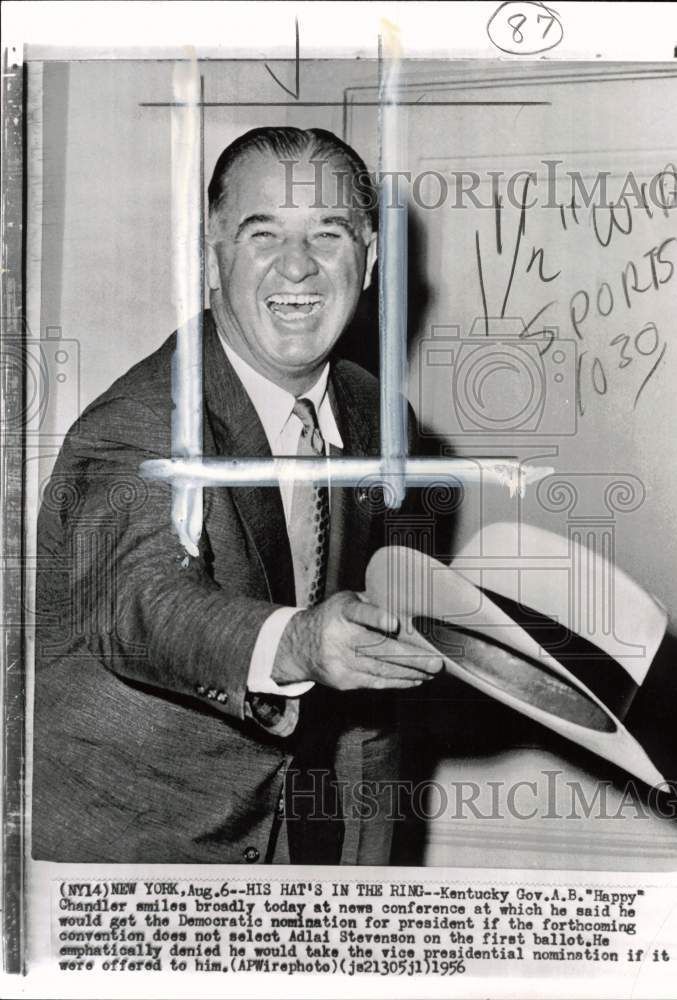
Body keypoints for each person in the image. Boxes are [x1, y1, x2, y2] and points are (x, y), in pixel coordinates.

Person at [33, 126, 441, 865]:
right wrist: (298, 641)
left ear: (371, 258)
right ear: (209, 257)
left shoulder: (379, 415)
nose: (298, 266)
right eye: (264, 235)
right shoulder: (141, 422)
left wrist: (366, 870)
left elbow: (379, 651)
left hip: (306, 837)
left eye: (328, 234)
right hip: (138, 850)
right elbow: (143, 602)